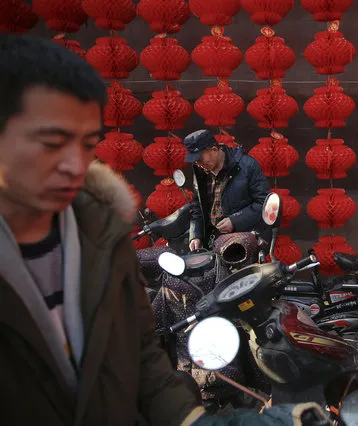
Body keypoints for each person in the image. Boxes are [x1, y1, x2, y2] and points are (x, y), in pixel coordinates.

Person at [0, 34, 319, 426]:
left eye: (87, 145)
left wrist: (197, 421)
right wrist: (198, 232)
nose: (74, 164)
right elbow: (196, 210)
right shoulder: (125, 232)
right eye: (52, 142)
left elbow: (143, 365)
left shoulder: (101, 240)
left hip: (241, 238)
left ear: (213, 149)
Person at [183, 129, 270, 251]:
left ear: (214, 149)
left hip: (243, 240)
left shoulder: (247, 166)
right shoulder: (200, 171)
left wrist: (234, 221)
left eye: (200, 159)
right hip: (212, 240)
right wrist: (195, 235)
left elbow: (264, 204)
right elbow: (197, 206)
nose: (199, 164)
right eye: (195, 161)